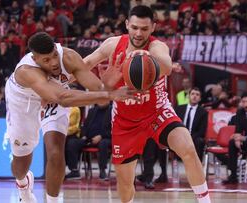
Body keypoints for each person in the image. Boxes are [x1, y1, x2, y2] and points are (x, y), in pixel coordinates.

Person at [84, 5, 210, 203]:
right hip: (125, 121)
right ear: (126, 25)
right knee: (125, 184)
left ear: (153, 27)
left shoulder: (156, 46)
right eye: (134, 27)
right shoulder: (112, 44)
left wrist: (141, 60)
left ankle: (205, 201)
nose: (138, 33)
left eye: (144, 29)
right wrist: (101, 86)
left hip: (157, 113)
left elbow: (167, 66)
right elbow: (84, 65)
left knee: (188, 148)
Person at [5, 32, 135, 203]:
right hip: (25, 101)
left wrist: (107, 86)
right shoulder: (26, 71)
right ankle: (23, 184)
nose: (53, 63)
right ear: (35, 59)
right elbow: (64, 98)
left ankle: (52, 201)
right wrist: (110, 94)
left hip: (56, 96)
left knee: (56, 151)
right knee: (20, 165)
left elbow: (98, 89)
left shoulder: (68, 57)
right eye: (46, 60)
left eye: (53, 56)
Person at [175, 87, 208, 161]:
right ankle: (163, 170)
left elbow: (202, 131)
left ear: (200, 98)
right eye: (192, 94)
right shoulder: (179, 108)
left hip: (194, 137)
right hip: (179, 136)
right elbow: (175, 125)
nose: (194, 96)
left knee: (200, 141)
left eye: (197, 95)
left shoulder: (203, 112)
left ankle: (197, 166)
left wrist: (189, 137)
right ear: (188, 96)